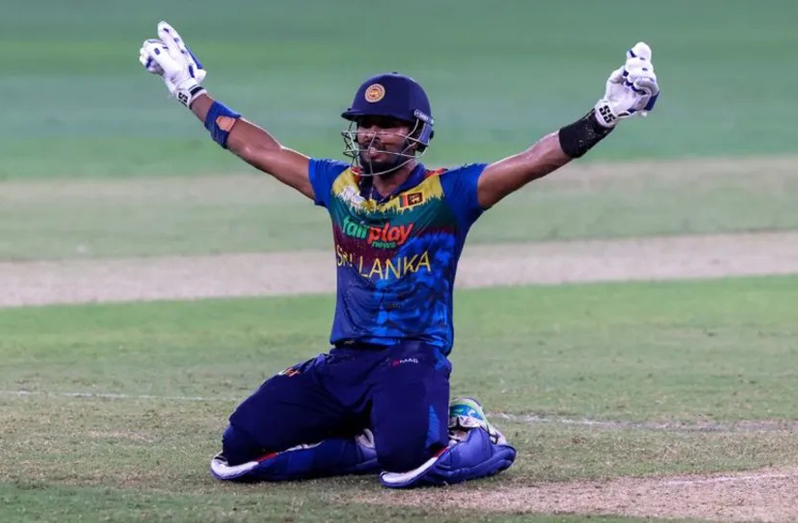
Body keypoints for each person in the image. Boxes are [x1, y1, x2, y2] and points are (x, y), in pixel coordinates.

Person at [139, 21, 659, 488]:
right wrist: (191, 92)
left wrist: (606, 113)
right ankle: (366, 443)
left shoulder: (450, 193)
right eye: (364, 123)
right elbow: (261, 149)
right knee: (237, 452)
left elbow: (533, 161)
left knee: (408, 465)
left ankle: (472, 428)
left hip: (413, 356)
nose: (371, 134)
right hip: (347, 361)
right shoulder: (338, 185)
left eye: (385, 123)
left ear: (416, 133)